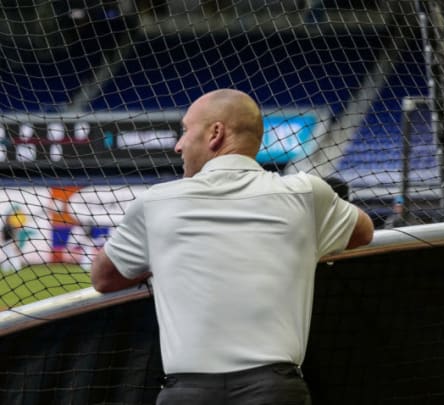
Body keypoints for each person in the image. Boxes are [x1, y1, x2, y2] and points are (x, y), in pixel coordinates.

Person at [90, 89, 374, 405]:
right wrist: (304, 246)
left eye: (185, 130)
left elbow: (103, 277)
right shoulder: (305, 192)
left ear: (215, 133)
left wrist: (162, 262)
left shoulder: (156, 202)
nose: (178, 144)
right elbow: (363, 232)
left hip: (188, 395)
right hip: (275, 392)